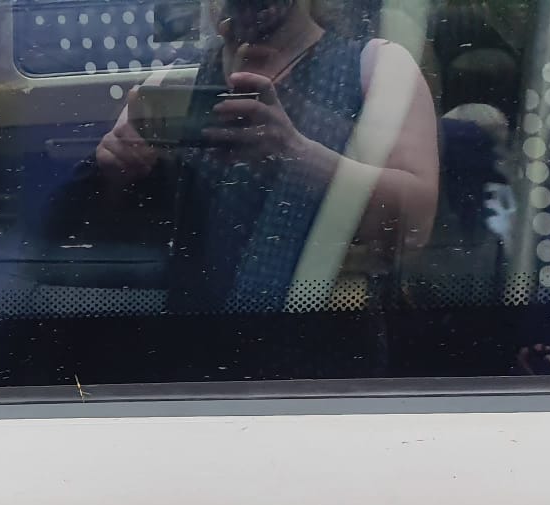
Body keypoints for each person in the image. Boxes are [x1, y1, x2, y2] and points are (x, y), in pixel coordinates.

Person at [90, 0, 439, 316]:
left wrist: (295, 157)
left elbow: (414, 226)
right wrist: (117, 173)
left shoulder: (377, 66)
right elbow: (117, 238)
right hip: (197, 346)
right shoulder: (174, 84)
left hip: (330, 352)